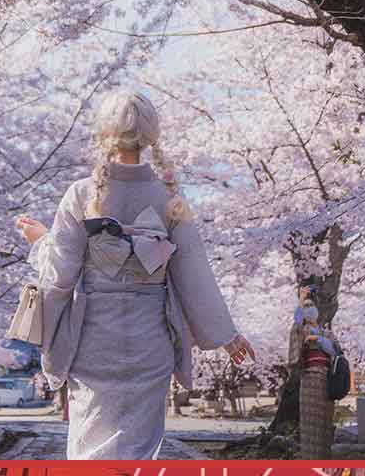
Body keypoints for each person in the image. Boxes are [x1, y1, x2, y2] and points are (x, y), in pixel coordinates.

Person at [15, 89, 256, 460]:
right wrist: (225, 334)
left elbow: (59, 277)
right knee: (142, 451)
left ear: (103, 133)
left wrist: (41, 239)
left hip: (92, 344)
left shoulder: (81, 195)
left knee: (88, 447)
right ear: (151, 135)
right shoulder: (170, 199)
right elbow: (195, 276)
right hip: (150, 344)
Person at [298, 297, 337, 460]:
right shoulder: (300, 331)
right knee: (310, 425)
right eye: (305, 307)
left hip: (326, 380)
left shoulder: (327, 333)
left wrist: (318, 339)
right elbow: (296, 343)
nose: (310, 309)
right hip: (309, 380)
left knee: (325, 422)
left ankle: (326, 461)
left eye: (311, 305)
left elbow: (335, 351)